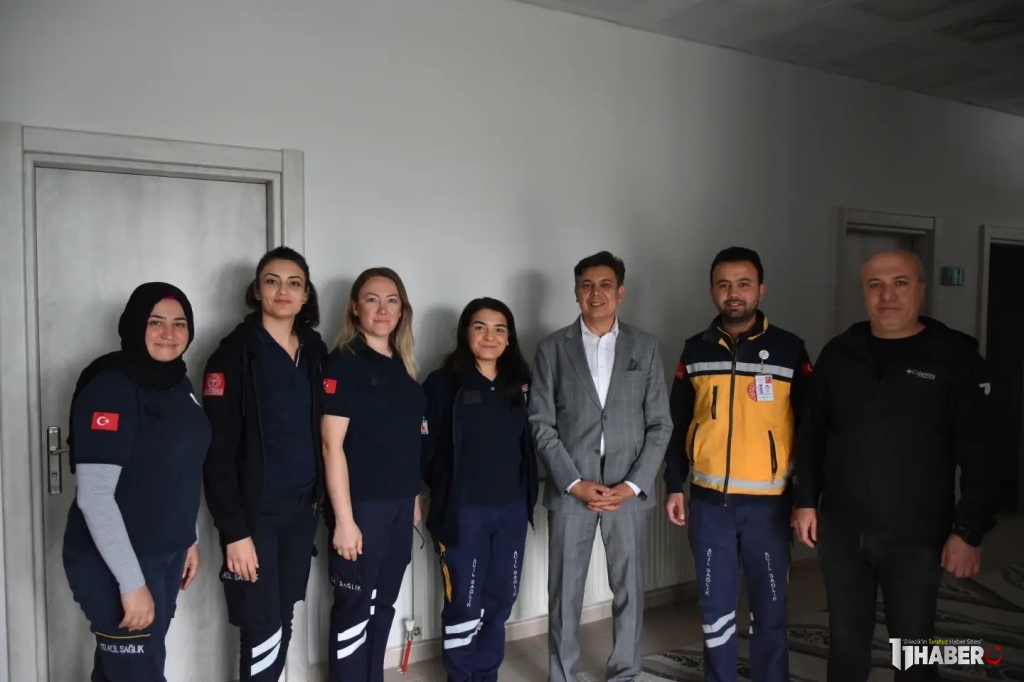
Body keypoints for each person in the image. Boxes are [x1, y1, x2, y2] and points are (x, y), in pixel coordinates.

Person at [791, 249, 997, 682]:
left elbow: (981, 453)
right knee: (845, 640)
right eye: (875, 285)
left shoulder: (955, 358)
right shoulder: (839, 353)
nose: (887, 296)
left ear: (921, 289)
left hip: (918, 534)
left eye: (900, 283)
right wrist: (805, 501)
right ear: (863, 293)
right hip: (842, 529)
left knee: (914, 645)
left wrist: (968, 531)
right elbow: (811, 434)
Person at [663, 247, 811, 682]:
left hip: (769, 507)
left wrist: (806, 498)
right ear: (712, 291)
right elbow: (677, 423)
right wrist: (674, 484)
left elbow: (811, 430)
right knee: (715, 607)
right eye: (724, 284)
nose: (733, 293)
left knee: (770, 606)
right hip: (710, 505)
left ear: (761, 289)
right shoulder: (695, 349)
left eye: (743, 284)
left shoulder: (789, 349)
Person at [527, 251, 673, 682]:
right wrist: (573, 482)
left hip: (628, 493)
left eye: (605, 284)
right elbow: (540, 423)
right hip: (572, 490)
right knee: (565, 592)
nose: (596, 293)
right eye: (587, 285)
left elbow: (660, 424)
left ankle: (625, 672)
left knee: (630, 590)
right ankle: (562, 675)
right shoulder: (552, 348)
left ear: (620, 292)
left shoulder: (645, 347)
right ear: (576, 292)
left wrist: (633, 485)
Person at [62, 282, 208, 682]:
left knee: (128, 669)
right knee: (139, 671)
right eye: (155, 322)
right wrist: (131, 583)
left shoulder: (179, 384)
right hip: (116, 562)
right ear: (134, 325)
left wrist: (189, 536)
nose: (169, 333)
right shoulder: (110, 388)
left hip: (166, 553)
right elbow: (94, 496)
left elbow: (181, 466)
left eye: (180, 323)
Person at [201, 247, 327, 681]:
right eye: (272, 281)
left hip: (302, 508)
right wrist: (234, 532)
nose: (283, 290)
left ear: (306, 294)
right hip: (255, 514)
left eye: (294, 283)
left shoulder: (314, 350)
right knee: (260, 624)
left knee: (283, 613)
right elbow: (216, 453)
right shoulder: (232, 355)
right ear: (257, 291)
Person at [421, 297, 540, 682]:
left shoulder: (519, 384)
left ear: (509, 337)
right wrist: (437, 489)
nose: (490, 336)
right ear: (465, 332)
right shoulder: (442, 384)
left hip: (511, 511)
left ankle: (486, 674)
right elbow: (424, 448)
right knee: (465, 603)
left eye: (499, 329)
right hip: (464, 513)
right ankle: (460, 676)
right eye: (480, 327)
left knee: (500, 600)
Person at [321, 267, 425, 682]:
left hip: (400, 506)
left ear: (402, 310)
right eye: (372, 299)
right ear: (354, 307)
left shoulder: (403, 365)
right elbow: (331, 446)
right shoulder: (344, 363)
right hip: (362, 507)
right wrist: (344, 520)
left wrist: (413, 496)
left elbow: (405, 441)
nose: (383, 309)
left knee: (383, 603)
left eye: (391, 300)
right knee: (354, 606)